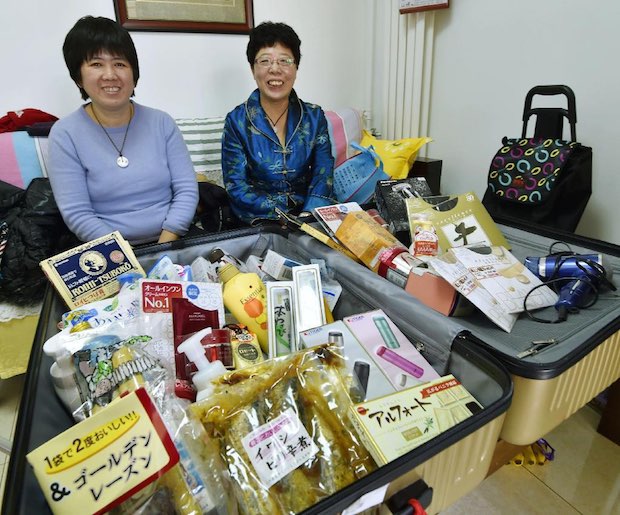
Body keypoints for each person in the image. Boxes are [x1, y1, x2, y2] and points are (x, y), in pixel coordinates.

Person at [48, 16, 198, 245]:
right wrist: (125, 256)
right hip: (107, 249)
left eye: (119, 63)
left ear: (133, 74)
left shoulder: (162, 123)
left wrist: (164, 246)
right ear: (78, 76)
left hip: (172, 239)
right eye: (96, 64)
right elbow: (77, 213)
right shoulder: (65, 134)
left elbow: (187, 190)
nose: (110, 75)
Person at [221, 21, 334, 225]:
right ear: (252, 68)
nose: (275, 69)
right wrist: (284, 212)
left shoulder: (315, 117)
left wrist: (307, 215)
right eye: (265, 61)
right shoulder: (236, 121)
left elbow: (322, 175)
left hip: (310, 216)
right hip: (258, 220)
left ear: (296, 67)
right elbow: (236, 186)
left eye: (285, 61)